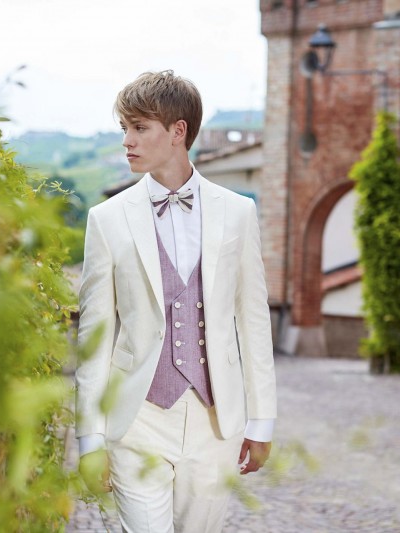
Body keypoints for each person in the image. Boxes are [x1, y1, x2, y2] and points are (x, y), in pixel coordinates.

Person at [76, 70, 277, 533]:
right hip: (136, 416)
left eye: (139, 127)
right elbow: (94, 336)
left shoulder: (238, 212)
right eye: (124, 128)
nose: (127, 141)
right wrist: (90, 438)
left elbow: (253, 320)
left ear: (177, 131)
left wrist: (262, 421)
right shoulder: (107, 219)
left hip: (215, 420)